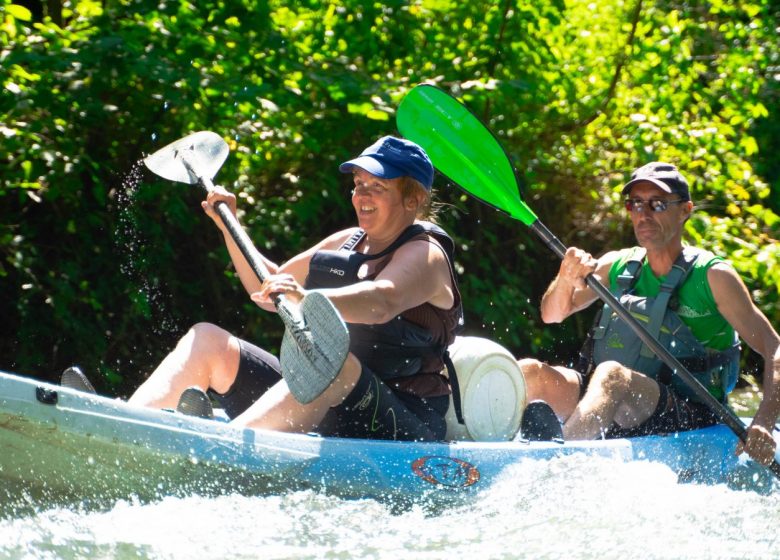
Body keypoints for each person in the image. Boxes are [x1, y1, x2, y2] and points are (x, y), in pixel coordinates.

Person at [65, 135, 463, 441]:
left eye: (376, 187)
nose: (360, 195)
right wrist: (229, 228)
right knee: (209, 340)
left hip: (404, 420)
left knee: (331, 362)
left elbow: (382, 301)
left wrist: (306, 299)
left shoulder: (425, 253)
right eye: (358, 184)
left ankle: (221, 451)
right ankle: (122, 429)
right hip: (327, 399)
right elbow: (267, 287)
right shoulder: (347, 241)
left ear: (413, 198)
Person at [518, 162, 780, 466]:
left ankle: (560, 462)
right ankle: (490, 453)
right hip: (614, 399)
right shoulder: (617, 264)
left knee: (611, 374)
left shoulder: (713, 277)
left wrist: (763, 420)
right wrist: (565, 278)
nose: (644, 214)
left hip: (689, 409)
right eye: (635, 204)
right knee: (527, 373)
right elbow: (552, 314)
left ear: (685, 210)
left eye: (657, 204)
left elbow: (774, 347)